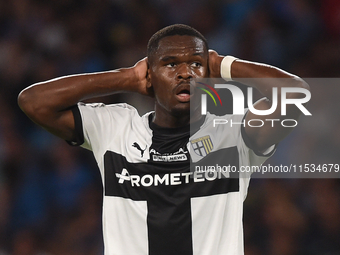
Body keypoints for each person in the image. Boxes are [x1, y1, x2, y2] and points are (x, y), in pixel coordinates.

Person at [18, 24, 309, 255]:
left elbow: (296, 95)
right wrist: (125, 78)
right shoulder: (114, 127)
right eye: (170, 64)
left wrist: (220, 64)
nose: (185, 73)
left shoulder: (234, 134)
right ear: (150, 75)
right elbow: (33, 102)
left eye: (196, 64)